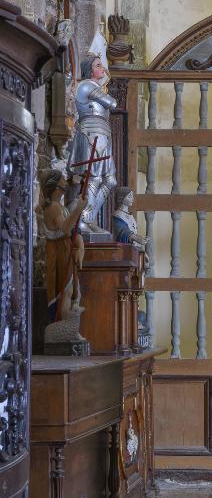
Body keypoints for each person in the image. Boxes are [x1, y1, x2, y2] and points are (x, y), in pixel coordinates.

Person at [67, 54, 117, 235]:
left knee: (110, 180)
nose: (102, 68)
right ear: (89, 69)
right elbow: (111, 103)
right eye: (98, 65)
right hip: (90, 133)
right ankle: (82, 221)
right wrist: (106, 94)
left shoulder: (96, 87)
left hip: (103, 134)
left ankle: (89, 218)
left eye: (101, 65)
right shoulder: (86, 85)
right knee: (93, 177)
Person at [40, 170, 87, 322]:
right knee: (65, 292)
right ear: (55, 186)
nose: (66, 183)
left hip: (65, 250)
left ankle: (68, 326)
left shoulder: (60, 206)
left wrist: (80, 244)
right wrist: (79, 208)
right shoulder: (53, 207)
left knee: (72, 292)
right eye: (62, 181)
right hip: (58, 253)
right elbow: (66, 229)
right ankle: (62, 326)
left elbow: (72, 232)